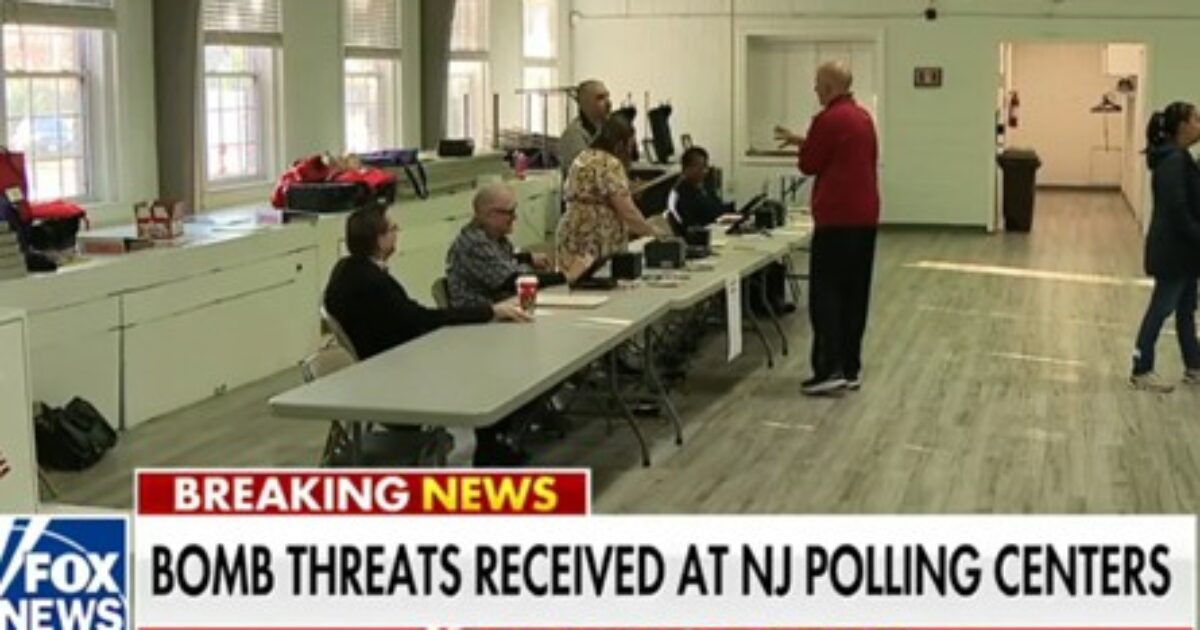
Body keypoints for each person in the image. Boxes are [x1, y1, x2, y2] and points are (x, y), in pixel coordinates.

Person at [323, 201, 532, 465]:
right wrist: (489, 312)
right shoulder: (371, 282)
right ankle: (491, 450)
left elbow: (408, 318)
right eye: (393, 229)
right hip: (395, 372)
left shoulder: (349, 270)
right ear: (380, 238)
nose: (397, 233)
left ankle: (494, 445)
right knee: (489, 370)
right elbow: (418, 318)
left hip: (391, 359)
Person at [774, 60, 880, 396]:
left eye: (818, 85)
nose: (815, 90)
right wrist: (801, 139)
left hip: (836, 219)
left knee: (827, 295)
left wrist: (802, 144)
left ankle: (828, 369)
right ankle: (850, 367)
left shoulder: (827, 119)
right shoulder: (863, 118)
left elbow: (809, 164)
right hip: (865, 218)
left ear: (831, 87)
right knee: (855, 294)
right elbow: (840, 152)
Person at [1130, 101, 1200, 392]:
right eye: (1196, 118)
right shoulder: (1173, 161)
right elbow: (1178, 210)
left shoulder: (1180, 158)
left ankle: (1194, 367)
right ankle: (1141, 369)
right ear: (1183, 126)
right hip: (1174, 252)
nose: (1199, 123)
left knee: (1185, 311)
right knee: (1161, 308)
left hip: (1185, 252)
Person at [446, 183, 593, 308]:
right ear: (489, 214)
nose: (515, 217)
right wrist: (566, 276)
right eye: (510, 212)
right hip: (480, 325)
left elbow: (503, 263)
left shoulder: (496, 239)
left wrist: (527, 259)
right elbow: (512, 281)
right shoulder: (474, 243)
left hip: (504, 311)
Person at [557, 114, 663, 272]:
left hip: (571, 231)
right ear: (620, 144)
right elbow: (627, 211)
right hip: (597, 236)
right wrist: (653, 233)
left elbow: (596, 194)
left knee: (573, 285)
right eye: (629, 145)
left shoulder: (583, 157)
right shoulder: (610, 163)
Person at [559, 79, 612, 177]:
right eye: (600, 98)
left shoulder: (603, 130)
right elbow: (586, 176)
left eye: (608, 96)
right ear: (585, 103)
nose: (608, 103)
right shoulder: (574, 136)